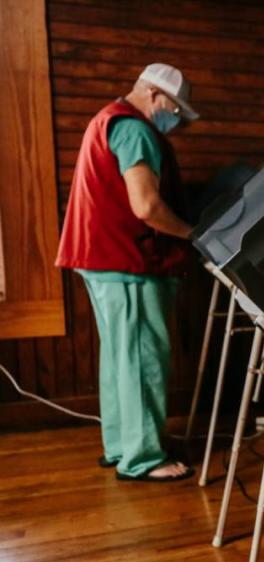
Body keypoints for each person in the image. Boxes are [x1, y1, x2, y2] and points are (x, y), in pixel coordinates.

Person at [55, 63, 199, 482]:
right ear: (156, 96)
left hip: (100, 260)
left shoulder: (106, 119)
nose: (178, 120)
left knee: (121, 358)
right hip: (128, 262)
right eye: (177, 110)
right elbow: (147, 207)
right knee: (142, 359)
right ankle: (143, 458)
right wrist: (193, 234)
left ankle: (122, 444)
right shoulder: (135, 130)